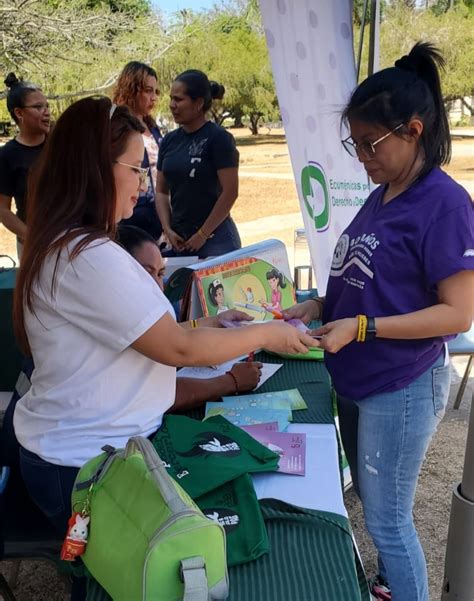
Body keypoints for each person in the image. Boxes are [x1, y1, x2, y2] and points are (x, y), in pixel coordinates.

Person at [12, 96, 316, 550]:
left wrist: (206, 326)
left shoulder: (67, 246)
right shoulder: (88, 256)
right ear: (96, 167)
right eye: (135, 168)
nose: (143, 184)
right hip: (81, 468)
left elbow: (135, 337)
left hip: (78, 456)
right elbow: (177, 350)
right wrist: (271, 331)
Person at [285, 42, 473, 601]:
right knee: (375, 505)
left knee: (389, 522)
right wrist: (319, 305)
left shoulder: (445, 204)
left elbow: (458, 313)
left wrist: (362, 328)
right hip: (359, 378)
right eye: (356, 143)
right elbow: (363, 278)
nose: (360, 157)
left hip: (401, 384)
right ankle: (390, 585)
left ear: (413, 130)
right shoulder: (383, 194)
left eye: (370, 144)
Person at [117, 224, 262, 405]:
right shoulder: (119, 318)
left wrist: (215, 321)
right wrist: (231, 381)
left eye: (160, 273)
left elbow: (171, 334)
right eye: (146, 273)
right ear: (118, 276)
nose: (157, 285)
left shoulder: (137, 317)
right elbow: (165, 392)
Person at [156, 69, 241, 258]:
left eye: (178, 100)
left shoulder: (219, 139)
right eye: (171, 99)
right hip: (179, 242)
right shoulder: (169, 141)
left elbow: (230, 192)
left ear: (199, 103)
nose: (172, 105)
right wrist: (168, 229)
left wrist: (202, 234)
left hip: (216, 242)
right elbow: (161, 191)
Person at [0, 73, 50, 259]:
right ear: (19, 113)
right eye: (38, 107)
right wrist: (32, 237)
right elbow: (3, 210)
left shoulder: (61, 145)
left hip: (69, 240)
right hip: (33, 248)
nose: (46, 111)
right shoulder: (7, 155)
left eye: (47, 106)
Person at [113, 61, 163, 240]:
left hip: (159, 215)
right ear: (131, 89)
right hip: (131, 215)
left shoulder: (153, 127)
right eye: (148, 90)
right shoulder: (117, 126)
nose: (154, 98)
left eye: (155, 92)